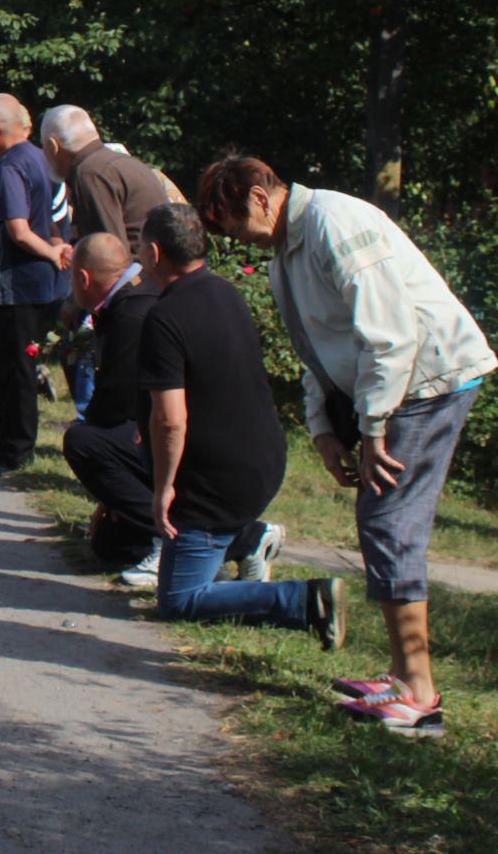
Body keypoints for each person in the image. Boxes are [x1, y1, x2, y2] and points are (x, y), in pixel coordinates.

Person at [200, 155, 495, 737]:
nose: (238, 240)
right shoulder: (288, 250)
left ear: (260, 197)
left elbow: (390, 339)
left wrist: (373, 431)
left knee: (390, 522)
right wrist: (323, 429)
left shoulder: (336, 224)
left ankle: (420, 696)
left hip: (429, 379)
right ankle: (400, 673)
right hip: (393, 387)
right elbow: (316, 349)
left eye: (235, 225)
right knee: (378, 522)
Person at [136, 202, 346, 647]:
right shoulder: (225, 292)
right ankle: (250, 539)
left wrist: (164, 487)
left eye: (140, 248)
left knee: (180, 599)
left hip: (215, 484)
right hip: (264, 460)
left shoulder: (164, 318)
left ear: (154, 253)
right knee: (186, 576)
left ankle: (303, 600)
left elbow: (170, 420)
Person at [60, 233, 284, 587]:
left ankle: (213, 539)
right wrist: (110, 496)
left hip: (191, 440)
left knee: (84, 442)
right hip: (239, 441)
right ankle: (232, 543)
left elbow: (118, 407)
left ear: (83, 278)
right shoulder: (153, 296)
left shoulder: (133, 312)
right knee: (109, 543)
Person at [0, 95, 70, 476]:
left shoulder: (9, 166)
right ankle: (9, 442)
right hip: (34, 286)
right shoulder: (40, 158)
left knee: (14, 371)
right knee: (18, 368)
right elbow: (55, 217)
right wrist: (56, 248)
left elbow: (19, 230)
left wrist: (51, 254)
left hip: (15, 285)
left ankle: (13, 451)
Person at [38, 105, 171, 254]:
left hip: (136, 271)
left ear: (52, 146)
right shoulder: (122, 162)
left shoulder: (90, 173)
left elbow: (107, 253)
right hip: (157, 266)